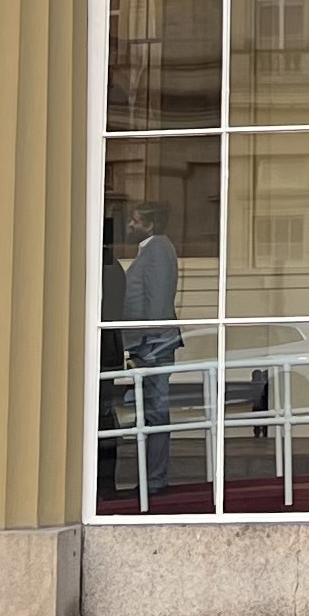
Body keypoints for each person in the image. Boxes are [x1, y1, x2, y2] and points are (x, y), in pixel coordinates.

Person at [120, 204, 183, 499]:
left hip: (152, 343)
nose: (130, 225)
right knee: (150, 413)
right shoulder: (152, 249)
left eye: (135, 221)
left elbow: (157, 303)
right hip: (148, 343)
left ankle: (154, 479)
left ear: (149, 224)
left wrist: (150, 345)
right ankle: (150, 478)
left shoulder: (157, 249)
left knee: (155, 412)